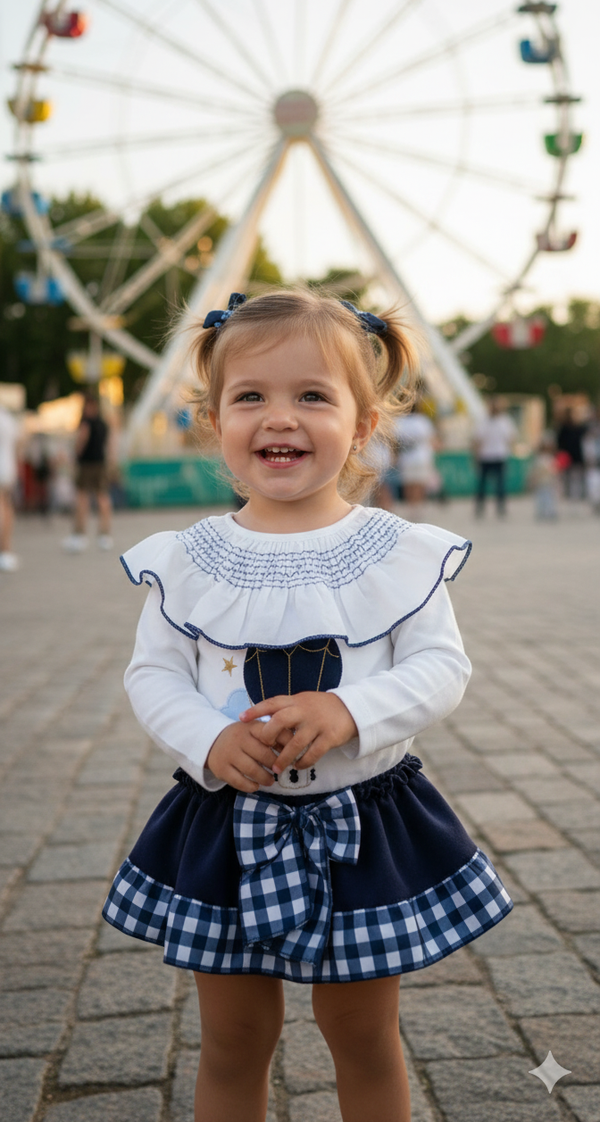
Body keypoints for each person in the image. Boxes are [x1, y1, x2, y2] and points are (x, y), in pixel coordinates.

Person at [102, 289, 512, 1122]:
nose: (278, 417)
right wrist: (209, 738)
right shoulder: (187, 561)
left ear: (362, 425)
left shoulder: (398, 552)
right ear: (214, 420)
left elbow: (441, 664)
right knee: (232, 1038)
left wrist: (352, 711)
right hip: (225, 820)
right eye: (250, 396)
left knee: (363, 1034)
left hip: (363, 822)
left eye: (312, 396)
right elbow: (153, 675)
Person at [62, 392, 113, 552]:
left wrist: (75, 453)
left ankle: (79, 534)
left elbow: (81, 440)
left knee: (82, 498)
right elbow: (109, 444)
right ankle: (104, 534)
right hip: (100, 463)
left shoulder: (86, 422)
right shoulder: (103, 423)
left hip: (87, 464)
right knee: (102, 497)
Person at [473, 397, 517, 517]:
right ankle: (483, 506)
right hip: (489, 456)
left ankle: (498, 506)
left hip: (497, 455)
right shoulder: (485, 421)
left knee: (498, 484)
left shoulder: (504, 421)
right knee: (486, 484)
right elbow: (478, 441)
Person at [395, 402, 438, 520]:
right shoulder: (423, 421)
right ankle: (417, 508)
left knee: (408, 484)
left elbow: (395, 441)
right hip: (422, 457)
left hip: (406, 458)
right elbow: (432, 439)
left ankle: (411, 507)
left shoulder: (400, 421)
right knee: (419, 484)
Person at [0, 402, 21, 571]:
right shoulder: (8, 418)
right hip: (8, 468)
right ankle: (7, 549)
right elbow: (18, 446)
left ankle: (4, 550)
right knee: (7, 507)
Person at [556, 406, 587, 500]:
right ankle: (571, 496)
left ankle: (574, 496)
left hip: (575, 457)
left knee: (574, 479)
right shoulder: (565, 428)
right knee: (569, 479)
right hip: (568, 457)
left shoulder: (579, 428)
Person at [531, 433, 559, 521]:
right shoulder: (539, 459)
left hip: (549, 481)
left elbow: (554, 470)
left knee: (549, 496)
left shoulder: (551, 458)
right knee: (541, 496)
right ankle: (542, 512)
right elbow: (536, 471)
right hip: (541, 481)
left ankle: (549, 511)